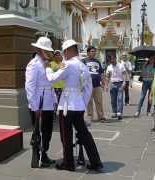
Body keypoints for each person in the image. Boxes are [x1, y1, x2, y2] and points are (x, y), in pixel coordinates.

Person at [46, 39, 103, 172]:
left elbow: (53, 79)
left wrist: (48, 69)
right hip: (78, 105)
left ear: (68, 50)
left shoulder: (68, 64)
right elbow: (88, 87)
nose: (64, 54)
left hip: (66, 105)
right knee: (84, 134)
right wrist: (82, 101)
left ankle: (68, 163)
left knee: (66, 135)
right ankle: (96, 161)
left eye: (64, 51)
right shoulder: (82, 65)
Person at [25, 37, 56, 167]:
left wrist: (54, 100)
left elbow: (51, 83)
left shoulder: (48, 63)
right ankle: (37, 155)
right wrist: (34, 106)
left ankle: (44, 154)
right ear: (40, 50)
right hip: (39, 104)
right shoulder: (34, 64)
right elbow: (29, 86)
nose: (48, 53)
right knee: (38, 131)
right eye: (46, 50)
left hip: (48, 102)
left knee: (48, 131)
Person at [82, 46, 106, 122]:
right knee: (89, 102)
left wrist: (103, 81)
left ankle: (101, 116)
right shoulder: (83, 61)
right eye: (92, 51)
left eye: (94, 51)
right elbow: (80, 73)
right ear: (88, 52)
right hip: (87, 85)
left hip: (97, 85)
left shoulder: (97, 61)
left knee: (99, 101)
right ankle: (90, 116)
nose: (93, 53)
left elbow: (101, 72)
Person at [105, 55, 126, 120]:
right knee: (113, 99)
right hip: (112, 84)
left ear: (115, 58)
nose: (112, 61)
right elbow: (107, 76)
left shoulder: (121, 65)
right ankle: (114, 112)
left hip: (120, 83)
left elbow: (124, 74)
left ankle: (119, 113)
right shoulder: (109, 67)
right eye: (110, 60)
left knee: (120, 99)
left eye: (113, 59)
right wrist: (106, 85)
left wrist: (124, 82)